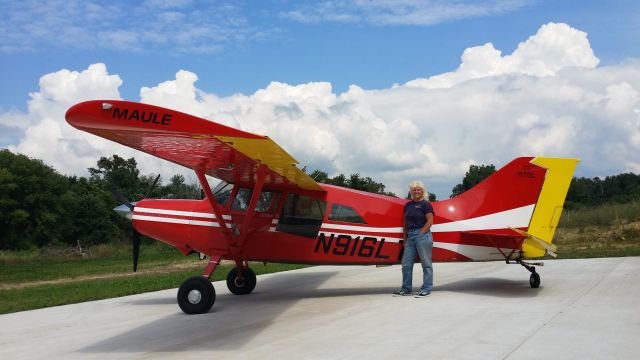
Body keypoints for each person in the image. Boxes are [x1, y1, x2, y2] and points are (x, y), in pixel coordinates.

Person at [394, 180, 434, 298]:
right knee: (406, 264)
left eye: (418, 189)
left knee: (426, 264)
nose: (416, 191)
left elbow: (430, 221)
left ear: (422, 191)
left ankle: (426, 288)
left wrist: (421, 233)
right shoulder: (408, 205)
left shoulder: (426, 204)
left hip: (422, 235)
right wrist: (405, 238)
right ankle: (406, 289)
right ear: (411, 192)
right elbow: (405, 222)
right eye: (414, 190)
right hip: (410, 236)